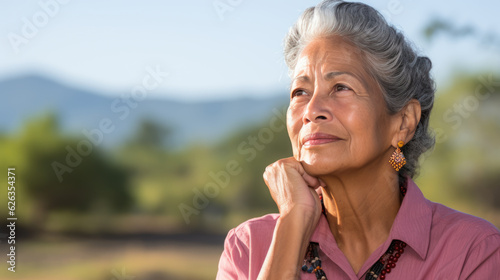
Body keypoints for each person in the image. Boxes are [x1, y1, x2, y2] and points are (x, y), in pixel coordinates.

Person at [216, 1, 500, 279]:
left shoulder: (473, 251)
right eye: (300, 92)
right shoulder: (248, 247)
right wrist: (294, 220)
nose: (312, 111)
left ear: (403, 122)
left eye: (341, 87)